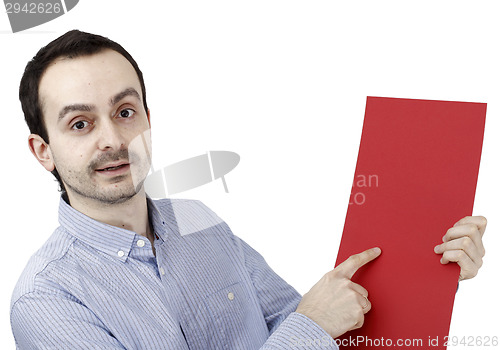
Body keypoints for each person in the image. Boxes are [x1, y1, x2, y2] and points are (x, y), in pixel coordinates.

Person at [10, 30, 487, 350]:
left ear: (148, 120)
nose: (112, 139)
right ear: (43, 151)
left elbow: (303, 326)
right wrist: (311, 327)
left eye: (125, 111)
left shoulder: (197, 220)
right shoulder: (46, 302)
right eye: (80, 123)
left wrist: (427, 273)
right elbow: (308, 329)